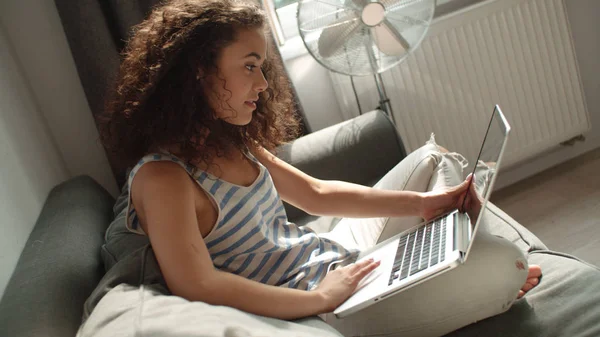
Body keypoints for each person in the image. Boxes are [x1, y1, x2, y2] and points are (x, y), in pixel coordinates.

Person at [98, 0, 542, 335]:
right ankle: (481, 272)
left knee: (433, 165)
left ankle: (456, 256)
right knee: (504, 263)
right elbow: (198, 284)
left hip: (334, 260)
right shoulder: (164, 178)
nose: (265, 83)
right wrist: (316, 297)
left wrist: (427, 204)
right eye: (250, 66)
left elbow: (317, 194)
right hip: (322, 302)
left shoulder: (231, 140)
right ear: (197, 73)